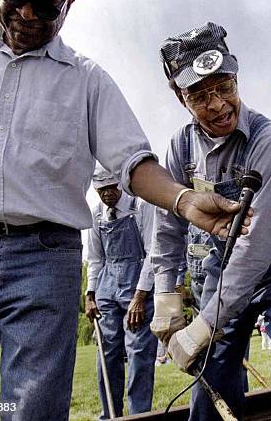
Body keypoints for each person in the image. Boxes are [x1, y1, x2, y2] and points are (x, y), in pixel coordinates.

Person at [0, 2, 246, 419]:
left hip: (42, 261)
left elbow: (133, 162)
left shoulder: (86, 80)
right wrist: (95, 291)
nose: (27, 12)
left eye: (45, 3)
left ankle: (130, 408)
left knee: (30, 409)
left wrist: (182, 199)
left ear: (68, 2)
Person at [149, 22, 271, 420]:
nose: (217, 105)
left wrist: (205, 323)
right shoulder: (180, 146)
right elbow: (168, 225)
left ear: (237, 77)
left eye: (224, 87)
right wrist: (165, 293)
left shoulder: (269, 142)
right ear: (181, 99)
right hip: (220, 271)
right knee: (212, 378)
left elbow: (258, 246)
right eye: (200, 96)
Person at [85, 165, 157, 419]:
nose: (107, 195)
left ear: (121, 184)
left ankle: (139, 415)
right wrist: (90, 294)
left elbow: (152, 253)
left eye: (111, 188)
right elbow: (95, 259)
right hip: (106, 286)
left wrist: (140, 296)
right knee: (106, 352)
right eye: (101, 190)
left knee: (138, 352)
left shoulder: (141, 206)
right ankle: (111, 414)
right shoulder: (96, 214)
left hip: (137, 285)